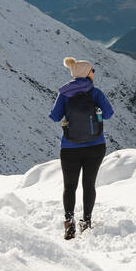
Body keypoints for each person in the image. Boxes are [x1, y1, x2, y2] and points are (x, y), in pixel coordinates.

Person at [49, 57, 114, 240]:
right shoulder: (96, 93)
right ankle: (86, 222)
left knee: (69, 186)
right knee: (89, 185)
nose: (94, 73)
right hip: (96, 145)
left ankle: (69, 223)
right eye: (92, 70)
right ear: (87, 73)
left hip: (70, 147)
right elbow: (109, 114)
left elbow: (54, 117)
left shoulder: (64, 94)